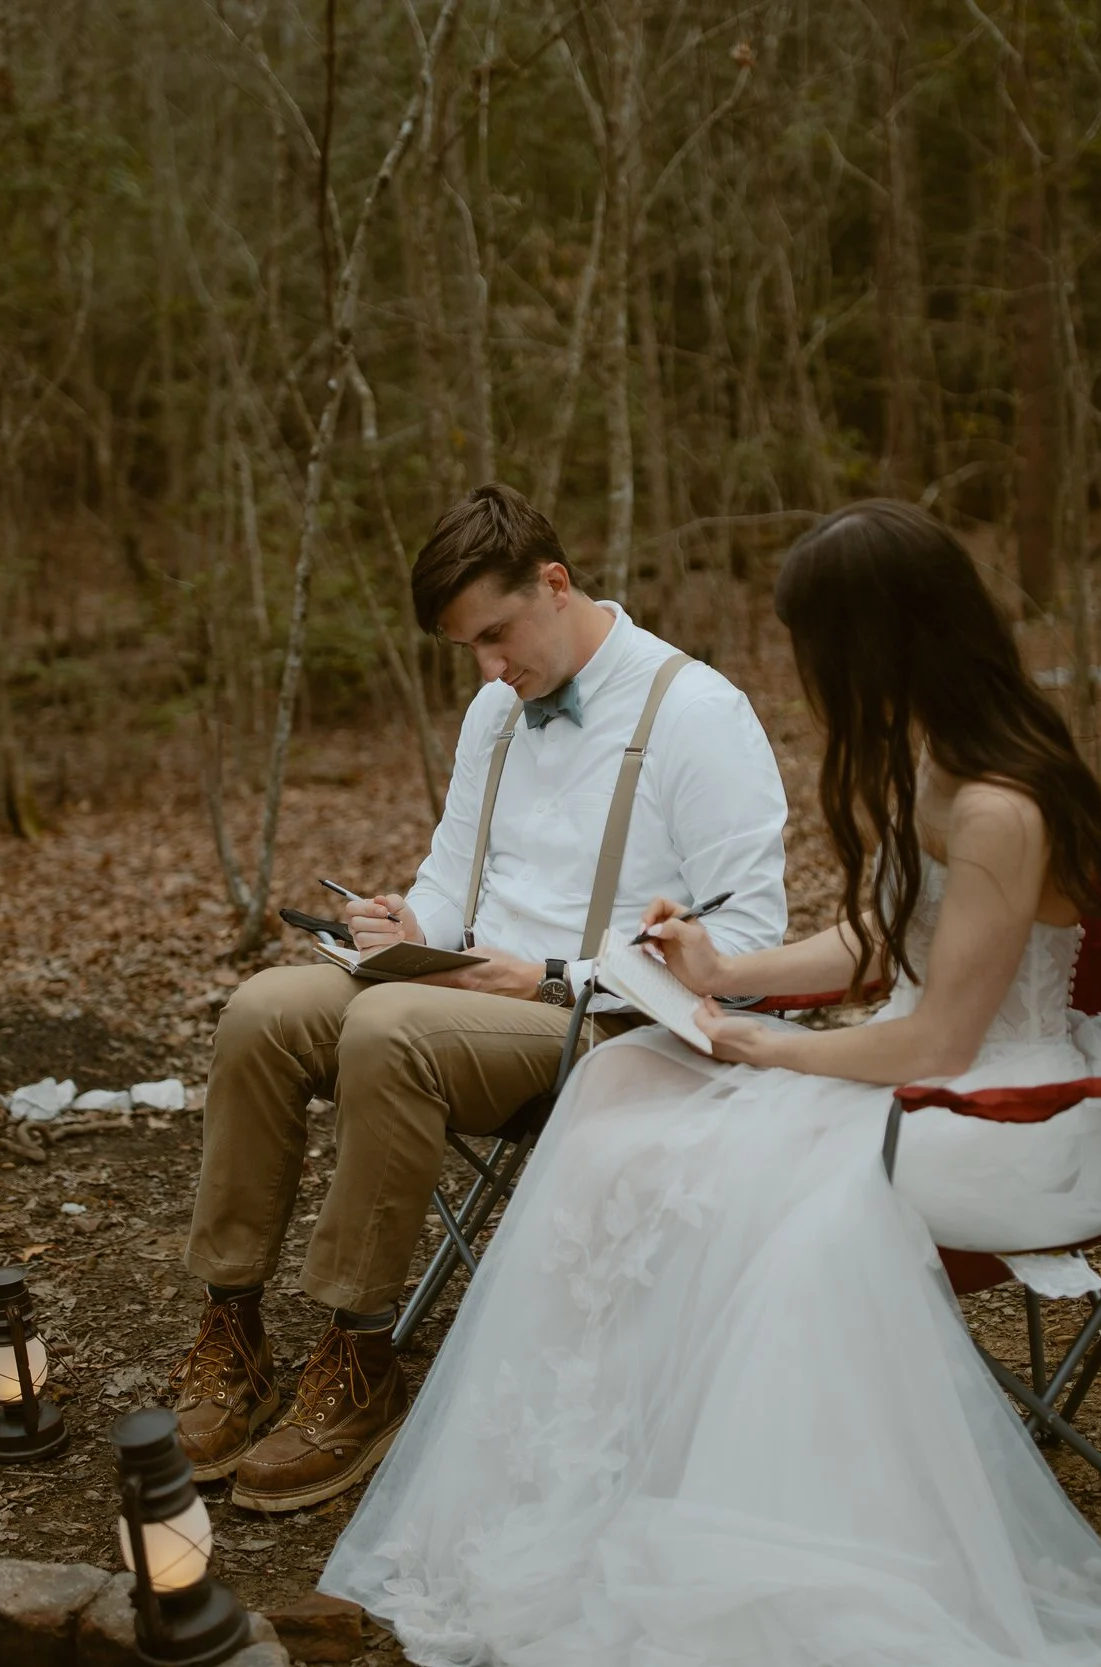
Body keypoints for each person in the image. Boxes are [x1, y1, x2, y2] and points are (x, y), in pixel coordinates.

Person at [320, 500, 1101, 1666]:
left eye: (814, 645)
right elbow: (884, 934)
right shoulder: (937, 759)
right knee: (618, 1088)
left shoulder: (996, 804)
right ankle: (594, 1472)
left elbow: (940, 1038)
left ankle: (764, 1523)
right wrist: (723, 971)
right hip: (913, 1072)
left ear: (876, 642)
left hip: (1007, 1111)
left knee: (748, 1191)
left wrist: (766, 1046)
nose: (808, 676)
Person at [171, 482, 790, 1514]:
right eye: (469, 648)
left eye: (497, 635)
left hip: (608, 1022)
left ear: (556, 583)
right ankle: (232, 1321)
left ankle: (361, 1350)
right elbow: (452, 879)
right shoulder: (494, 710)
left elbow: (751, 944)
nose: (489, 669)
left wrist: (550, 974)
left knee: (389, 1027)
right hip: (462, 995)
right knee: (263, 1011)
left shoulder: (697, 712)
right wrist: (405, 924)